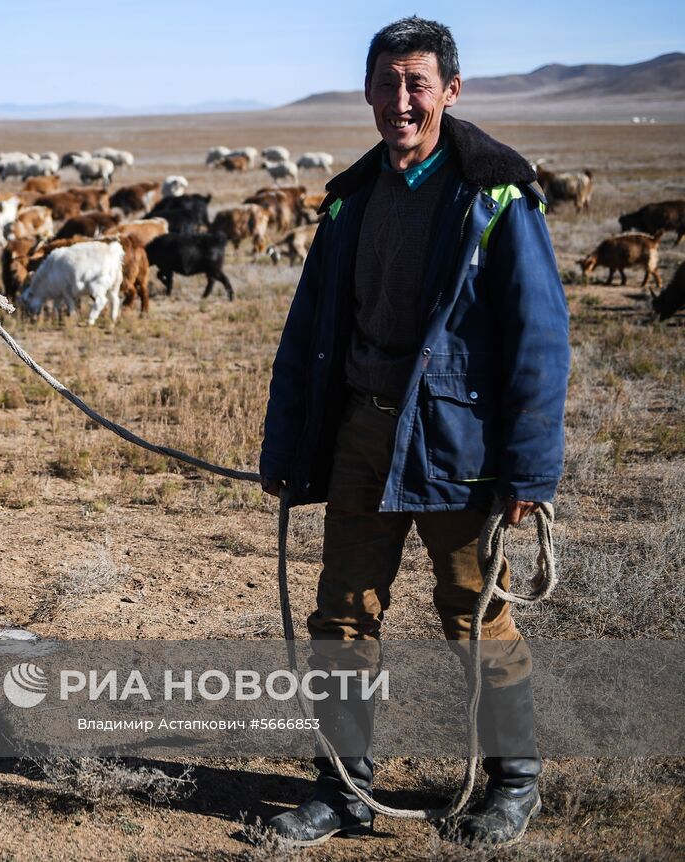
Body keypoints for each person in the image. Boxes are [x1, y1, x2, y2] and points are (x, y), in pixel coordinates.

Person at [257, 16, 570, 849]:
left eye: (418, 83)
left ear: (450, 92)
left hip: (459, 446)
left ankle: (513, 781)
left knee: (475, 614)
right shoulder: (351, 199)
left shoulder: (496, 193)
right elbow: (308, 333)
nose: (401, 100)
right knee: (343, 616)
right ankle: (343, 788)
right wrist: (287, 448)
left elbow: (539, 335)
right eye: (387, 83)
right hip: (362, 431)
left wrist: (530, 471)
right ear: (366, 91)